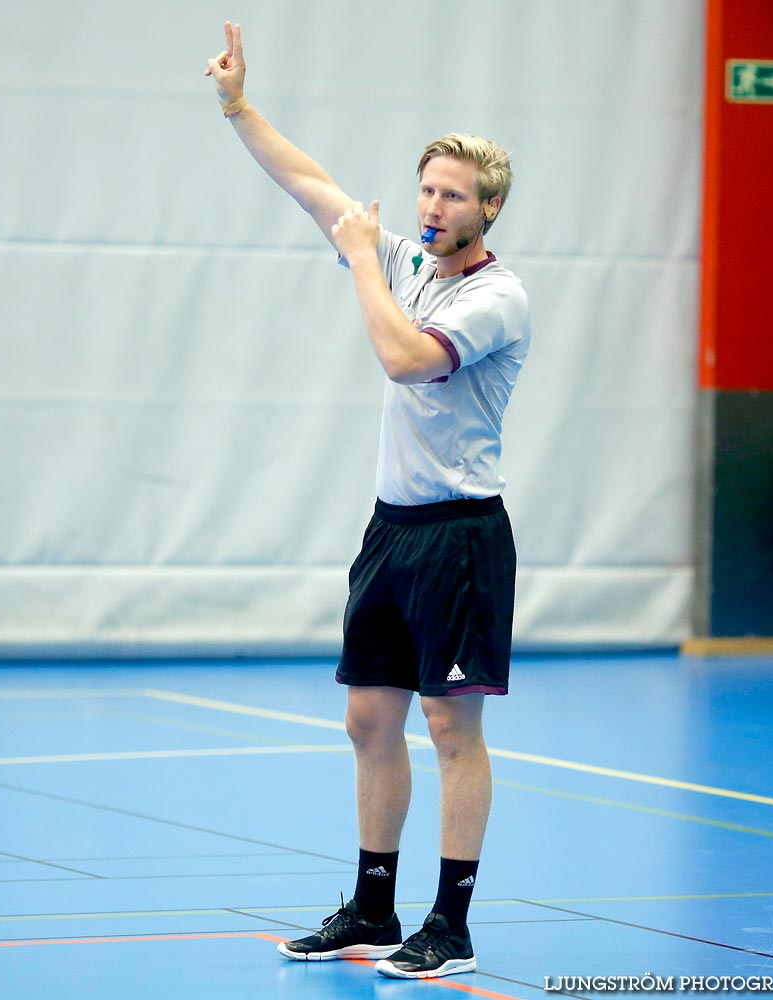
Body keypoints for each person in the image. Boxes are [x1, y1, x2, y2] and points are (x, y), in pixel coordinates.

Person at [205, 21, 530, 981]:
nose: (431, 205)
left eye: (452, 194)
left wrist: (358, 257)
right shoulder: (406, 265)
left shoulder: (496, 298)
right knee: (369, 722)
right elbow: (312, 186)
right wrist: (237, 107)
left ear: (490, 207)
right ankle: (373, 910)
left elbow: (402, 359)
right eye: (424, 188)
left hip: (461, 536)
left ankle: (452, 925)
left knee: (448, 727)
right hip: (391, 531)